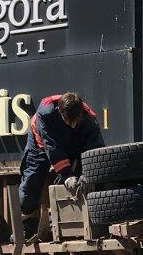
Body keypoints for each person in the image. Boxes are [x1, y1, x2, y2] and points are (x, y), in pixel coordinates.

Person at [17, 92, 104, 237]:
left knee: (79, 175)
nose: (74, 124)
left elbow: (95, 148)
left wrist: (88, 174)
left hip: (73, 143)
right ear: (59, 112)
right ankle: (27, 222)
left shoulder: (89, 119)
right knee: (32, 176)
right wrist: (67, 175)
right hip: (40, 144)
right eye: (69, 121)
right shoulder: (45, 113)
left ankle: (75, 219)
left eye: (76, 121)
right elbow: (51, 146)